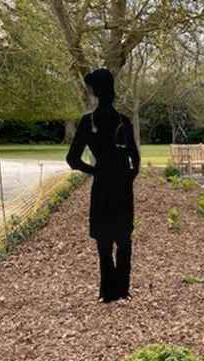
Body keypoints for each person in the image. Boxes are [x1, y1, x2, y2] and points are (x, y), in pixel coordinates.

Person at [66, 68, 140, 303]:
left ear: (96, 92)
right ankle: (121, 291)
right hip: (120, 184)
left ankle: (108, 292)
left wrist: (95, 170)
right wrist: (127, 176)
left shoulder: (90, 122)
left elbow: (73, 159)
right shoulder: (122, 121)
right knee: (123, 239)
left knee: (106, 240)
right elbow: (135, 160)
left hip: (103, 184)